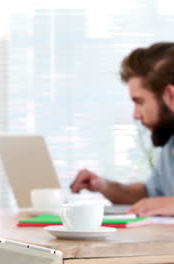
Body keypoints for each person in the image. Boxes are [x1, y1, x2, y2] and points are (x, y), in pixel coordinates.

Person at [70, 42, 174, 217]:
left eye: (139, 102)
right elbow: (149, 196)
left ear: (170, 95)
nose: (136, 115)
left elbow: (164, 202)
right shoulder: (168, 142)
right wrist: (103, 185)